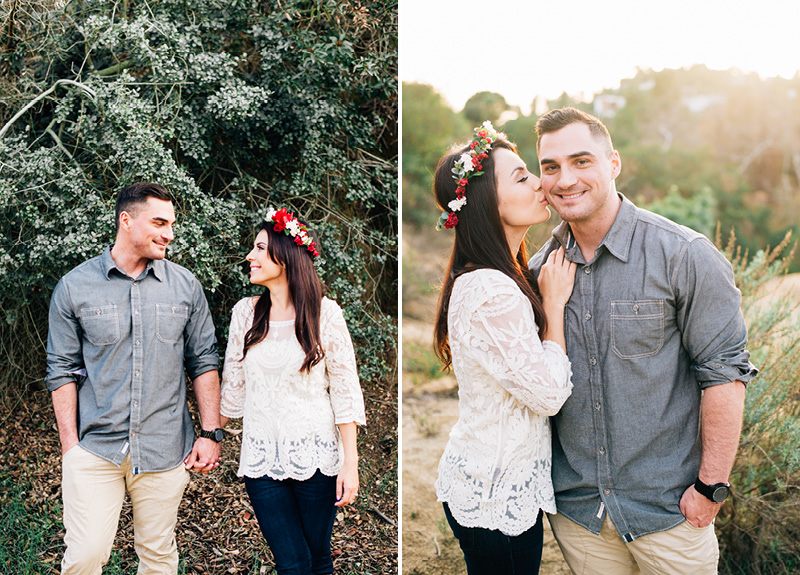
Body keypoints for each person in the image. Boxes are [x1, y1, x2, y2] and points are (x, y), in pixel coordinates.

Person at [529, 107, 758, 575]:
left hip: (671, 512)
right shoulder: (537, 272)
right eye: (550, 167)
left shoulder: (683, 256)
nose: (565, 178)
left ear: (613, 163)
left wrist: (711, 488)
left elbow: (725, 375)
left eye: (581, 161)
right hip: (580, 516)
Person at [46, 182, 223, 575]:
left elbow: (204, 360)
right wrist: (70, 446)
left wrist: (210, 434)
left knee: (159, 558)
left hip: (164, 447)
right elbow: (61, 368)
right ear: (126, 221)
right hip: (95, 449)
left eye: (172, 224)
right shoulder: (75, 287)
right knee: (85, 556)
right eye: (159, 222)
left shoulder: (185, 286)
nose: (170, 234)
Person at [431, 122, 577, 575]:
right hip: (494, 493)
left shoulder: (500, 275)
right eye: (521, 177)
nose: (540, 182)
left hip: (494, 482)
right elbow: (549, 394)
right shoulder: (491, 289)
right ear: (485, 203)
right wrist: (553, 306)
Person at [220, 207, 366, 575]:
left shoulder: (325, 313)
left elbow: (345, 391)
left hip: (316, 457)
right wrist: (211, 435)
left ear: (284, 257)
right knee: (291, 563)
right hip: (261, 459)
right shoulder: (245, 313)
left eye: (258, 248)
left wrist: (350, 461)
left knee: (318, 559)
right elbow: (232, 388)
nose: (250, 257)